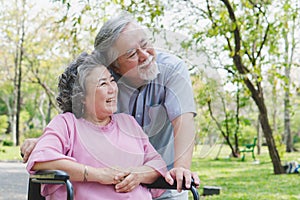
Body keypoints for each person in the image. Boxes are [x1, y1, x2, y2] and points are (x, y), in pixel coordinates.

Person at [21, 13, 200, 199]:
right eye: (131, 54)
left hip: (164, 181)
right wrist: (47, 141)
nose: (145, 55)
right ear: (114, 65)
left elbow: (183, 123)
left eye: (146, 44)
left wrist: (179, 168)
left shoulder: (171, 71)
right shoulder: (98, 75)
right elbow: (74, 116)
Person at [26, 51, 167, 200]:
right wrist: (98, 175)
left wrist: (138, 175)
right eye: (103, 84)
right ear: (81, 96)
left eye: (112, 81)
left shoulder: (128, 123)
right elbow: (42, 160)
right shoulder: (67, 124)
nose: (112, 89)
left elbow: (157, 164)